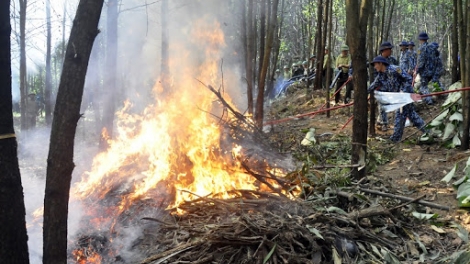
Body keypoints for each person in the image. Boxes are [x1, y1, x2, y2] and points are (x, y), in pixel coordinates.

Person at [368, 56, 427, 143]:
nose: (375, 67)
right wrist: (365, 93)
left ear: (381, 63)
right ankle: (428, 131)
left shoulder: (395, 69)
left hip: (405, 96)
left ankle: (395, 139)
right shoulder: (381, 75)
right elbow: (374, 85)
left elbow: (409, 79)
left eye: (375, 64)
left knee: (400, 115)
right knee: (412, 115)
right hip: (398, 98)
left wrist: (403, 91)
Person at [376, 41, 398, 130]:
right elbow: (374, 74)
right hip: (381, 87)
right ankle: (384, 123)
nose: (391, 51)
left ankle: (379, 119)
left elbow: (398, 69)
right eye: (389, 49)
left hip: (391, 87)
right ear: (384, 50)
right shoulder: (377, 60)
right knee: (382, 105)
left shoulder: (393, 60)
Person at [415, 32, 434, 104]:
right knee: (423, 86)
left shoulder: (421, 49)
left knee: (423, 87)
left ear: (420, 40)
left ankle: (429, 100)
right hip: (431, 70)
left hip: (424, 71)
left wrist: (416, 71)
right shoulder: (431, 47)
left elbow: (421, 61)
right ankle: (424, 98)